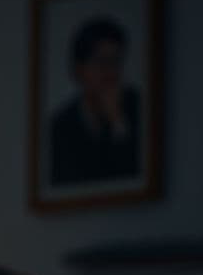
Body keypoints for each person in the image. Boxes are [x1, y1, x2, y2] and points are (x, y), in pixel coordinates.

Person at [50, 17, 141, 186]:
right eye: (102, 63)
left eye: (116, 62)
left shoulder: (138, 110)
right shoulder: (60, 125)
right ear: (79, 70)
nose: (111, 73)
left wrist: (118, 122)